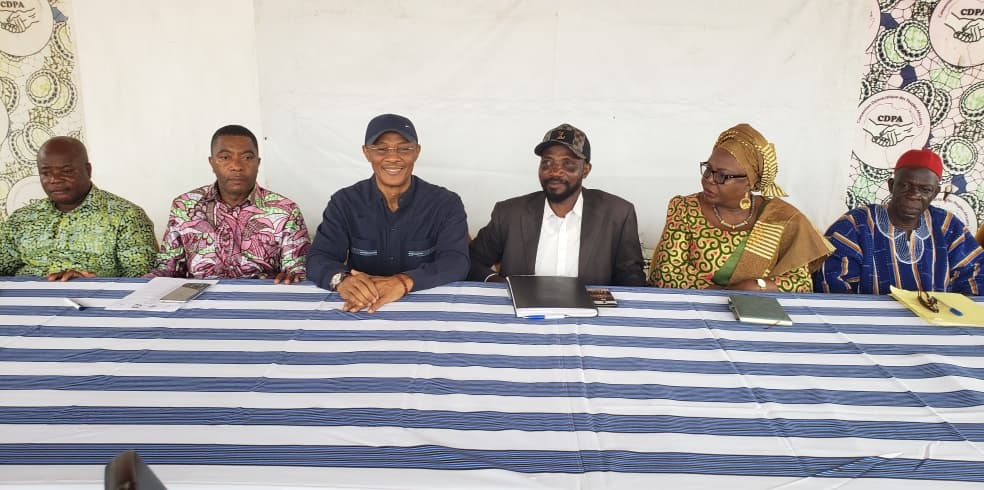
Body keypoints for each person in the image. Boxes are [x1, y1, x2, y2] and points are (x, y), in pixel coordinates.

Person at [307, 113, 469, 312]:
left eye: (404, 148)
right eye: (381, 149)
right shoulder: (344, 202)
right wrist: (342, 280)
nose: (393, 157)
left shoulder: (445, 203)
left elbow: (456, 262)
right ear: (366, 152)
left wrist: (403, 282)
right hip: (362, 307)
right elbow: (318, 258)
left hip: (425, 308)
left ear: (417, 152)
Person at [649, 123, 832, 292]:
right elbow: (667, 274)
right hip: (696, 309)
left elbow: (800, 283)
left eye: (722, 176)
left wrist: (756, 286)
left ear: (749, 182)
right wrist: (731, 294)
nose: (709, 180)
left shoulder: (782, 219)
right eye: (708, 170)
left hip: (757, 313)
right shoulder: (685, 208)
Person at [468, 123, 645, 286]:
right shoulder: (509, 213)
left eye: (568, 164)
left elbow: (631, 277)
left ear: (585, 170)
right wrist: (498, 283)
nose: (555, 172)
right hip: (521, 316)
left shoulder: (618, 213)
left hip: (590, 316)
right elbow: (470, 261)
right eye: (547, 162)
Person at [149, 125, 310, 283]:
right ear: (212, 162)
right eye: (225, 157)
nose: (237, 166)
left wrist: (291, 277)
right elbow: (168, 268)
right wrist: (137, 286)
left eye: (247, 157)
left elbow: (296, 271)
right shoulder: (185, 206)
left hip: (260, 299)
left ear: (258, 163)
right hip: (198, 300)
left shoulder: (285, 210)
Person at [814, 148, 984, 295]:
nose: (914, 195)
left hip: (937, 323)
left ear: (935, 193)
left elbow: (975, 272)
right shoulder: (855, 225)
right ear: (891, 185)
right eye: (905, 186)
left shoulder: (947, 226)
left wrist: (958, 310)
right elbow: (832, 281)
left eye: (925, 189)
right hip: (870, 324)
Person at [0, 136, 157, 279]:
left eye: (66, 171)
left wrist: (90, 281)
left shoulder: (126, 216)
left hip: (94, 302)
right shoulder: (21, 219)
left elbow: (142, 278)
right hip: (26, 301)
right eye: (46, 173)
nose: (54, 179)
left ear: (88, 170)